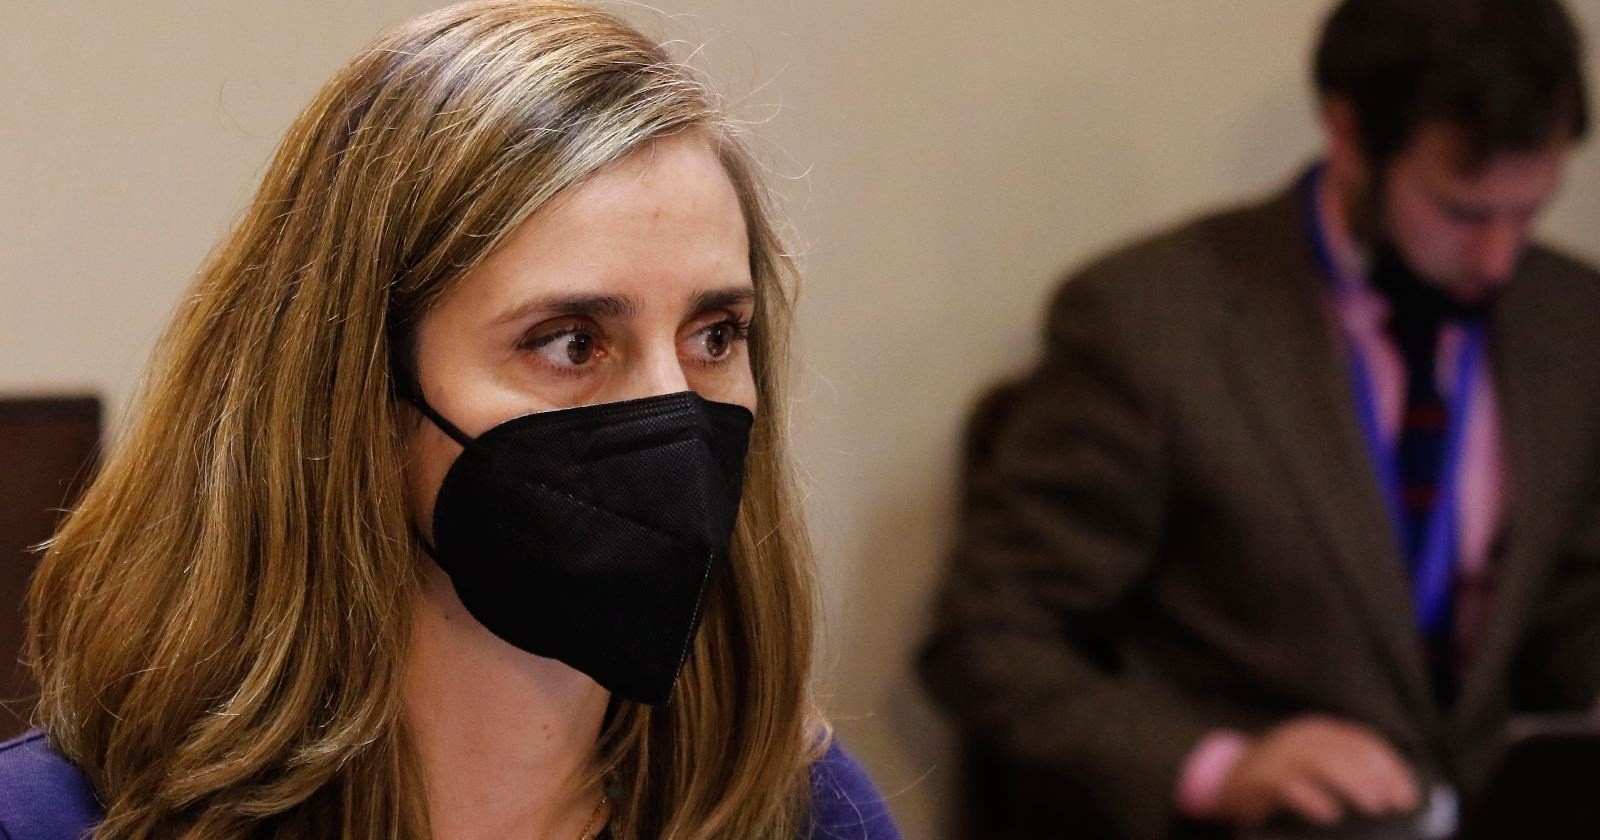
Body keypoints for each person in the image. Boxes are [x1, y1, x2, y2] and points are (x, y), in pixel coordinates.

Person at [0, 3, 901, 838]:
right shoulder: (46, 821)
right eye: (571, 342)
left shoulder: (806, 811)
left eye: (715, 335)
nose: (673, 410)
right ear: (364, 389)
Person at [919, 0, 1598, 838]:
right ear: (1348, 135)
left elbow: (1568, 601)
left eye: (1530, 212)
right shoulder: (1150, 322)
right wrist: (1219, 769)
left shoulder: (1572, 316)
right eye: (1461, 212)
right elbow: (987, 639)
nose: (1499, 261)